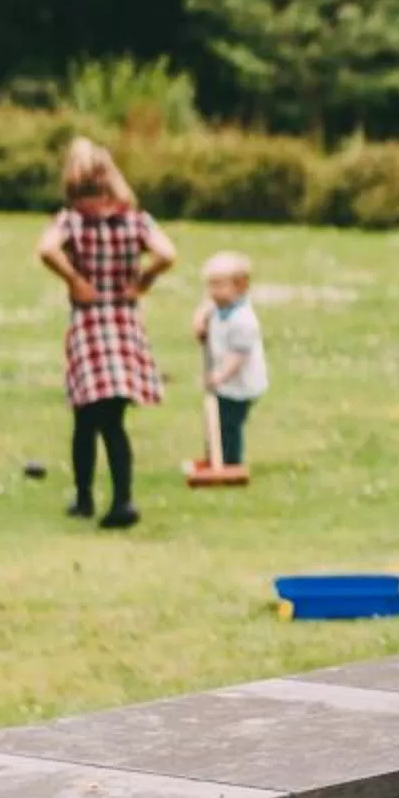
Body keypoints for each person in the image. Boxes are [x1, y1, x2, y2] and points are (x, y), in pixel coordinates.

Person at [35, 139, 175, 529]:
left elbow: (47, 250)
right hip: (124, 326)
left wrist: (75, 280)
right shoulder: (136, 221)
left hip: (89, 327)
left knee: (88, 417)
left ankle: (95, 500)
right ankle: (114, 497)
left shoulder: (71, 221)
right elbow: (167, 253)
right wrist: (143, 280)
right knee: (111, 417)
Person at [191, 251, 268, 469]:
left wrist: (219, 376)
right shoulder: (218, 307)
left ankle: (230, 462)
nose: (212, 291)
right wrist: (199, 322)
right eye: (210, 285)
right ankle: (214, 457)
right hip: (225, 383)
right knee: (213, 419)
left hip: (240, 385)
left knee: (228, 424)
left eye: (219, 285)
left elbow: (239, 356)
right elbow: (203, 312)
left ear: (241, 286)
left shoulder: (243, 320)